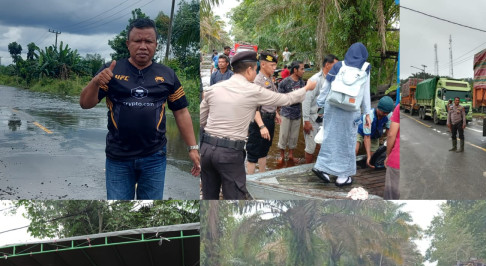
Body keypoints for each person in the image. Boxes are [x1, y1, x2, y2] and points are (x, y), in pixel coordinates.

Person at [79, 17, 200, 199]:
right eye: (137, 41)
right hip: (118, 157)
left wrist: (192, 148)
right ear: (128, 44)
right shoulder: (111, 71)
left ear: (156, 45)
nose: (143, 46)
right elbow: (85, 104)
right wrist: (95, 82)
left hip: (154, 157)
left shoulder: (167, 75)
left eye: (148, 41)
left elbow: (181, 112)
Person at [200, 49, 316, 199]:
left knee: (209, 197)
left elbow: (202, 120)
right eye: (255, 70)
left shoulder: (213, 89)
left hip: (207, 150)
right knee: (235, 198)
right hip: (229, 153)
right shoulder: (253, 90)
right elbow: (285, 99)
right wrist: (306, 88)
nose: (256, 74)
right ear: (249, 70)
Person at [312, 43, 372, 187]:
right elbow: (365, 92)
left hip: (333, 106)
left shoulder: (339, 66)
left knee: (329, 137)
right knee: (348, 141)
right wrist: (367, 114)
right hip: (351, 110)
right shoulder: (365, 67)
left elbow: (327, 86)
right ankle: (342, 177)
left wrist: (320, 104)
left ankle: (322, 168)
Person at [246, 50, 281, 174]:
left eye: (275, 65)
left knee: (264, 152)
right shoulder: (257, 81)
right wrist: (261, 126)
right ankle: (249, 183)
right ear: (263, 64)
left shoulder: (269, 80)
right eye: (272, 65)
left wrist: (275, 113)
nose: (274, 68)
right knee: (253, 153)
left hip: (269, 120)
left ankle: (261, 178)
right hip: (259, 122)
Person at [302, 54, 338, 163]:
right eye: (335, 65)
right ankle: (307, 169)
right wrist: (306, 121)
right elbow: (306, 101)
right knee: (310, 147)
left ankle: (319, 166)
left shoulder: (335, 80)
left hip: (327, 118)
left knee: (324, 144)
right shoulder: (315, 80)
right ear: (327, 65)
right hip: (313, 118)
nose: (338, 68)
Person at [277, 61, 306, 165]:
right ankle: (281, 155)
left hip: (297, 113)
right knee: (283, 135)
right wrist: (277, 113)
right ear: (295, 70)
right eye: (302, 69)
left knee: (294, 136)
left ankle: (290, 155)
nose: (303, 71)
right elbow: (279, 98)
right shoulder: (284, 82)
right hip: (285, 113)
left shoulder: (302, 83)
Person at [357, 96, 395, 165]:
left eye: (387, 112)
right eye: (384, 112)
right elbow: (367, 137)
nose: (386, 114)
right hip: (360, 132)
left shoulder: (389, 115)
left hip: (374, 135)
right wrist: (368, 156)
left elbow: (389, 133)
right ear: (379, 108)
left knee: (374, 159)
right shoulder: (369, 116)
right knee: (354, 150)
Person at [384, 100, 400, 199]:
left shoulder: (399, 108)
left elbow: (391, 134)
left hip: (397, 160)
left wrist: (387, 155)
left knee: (391, 197)